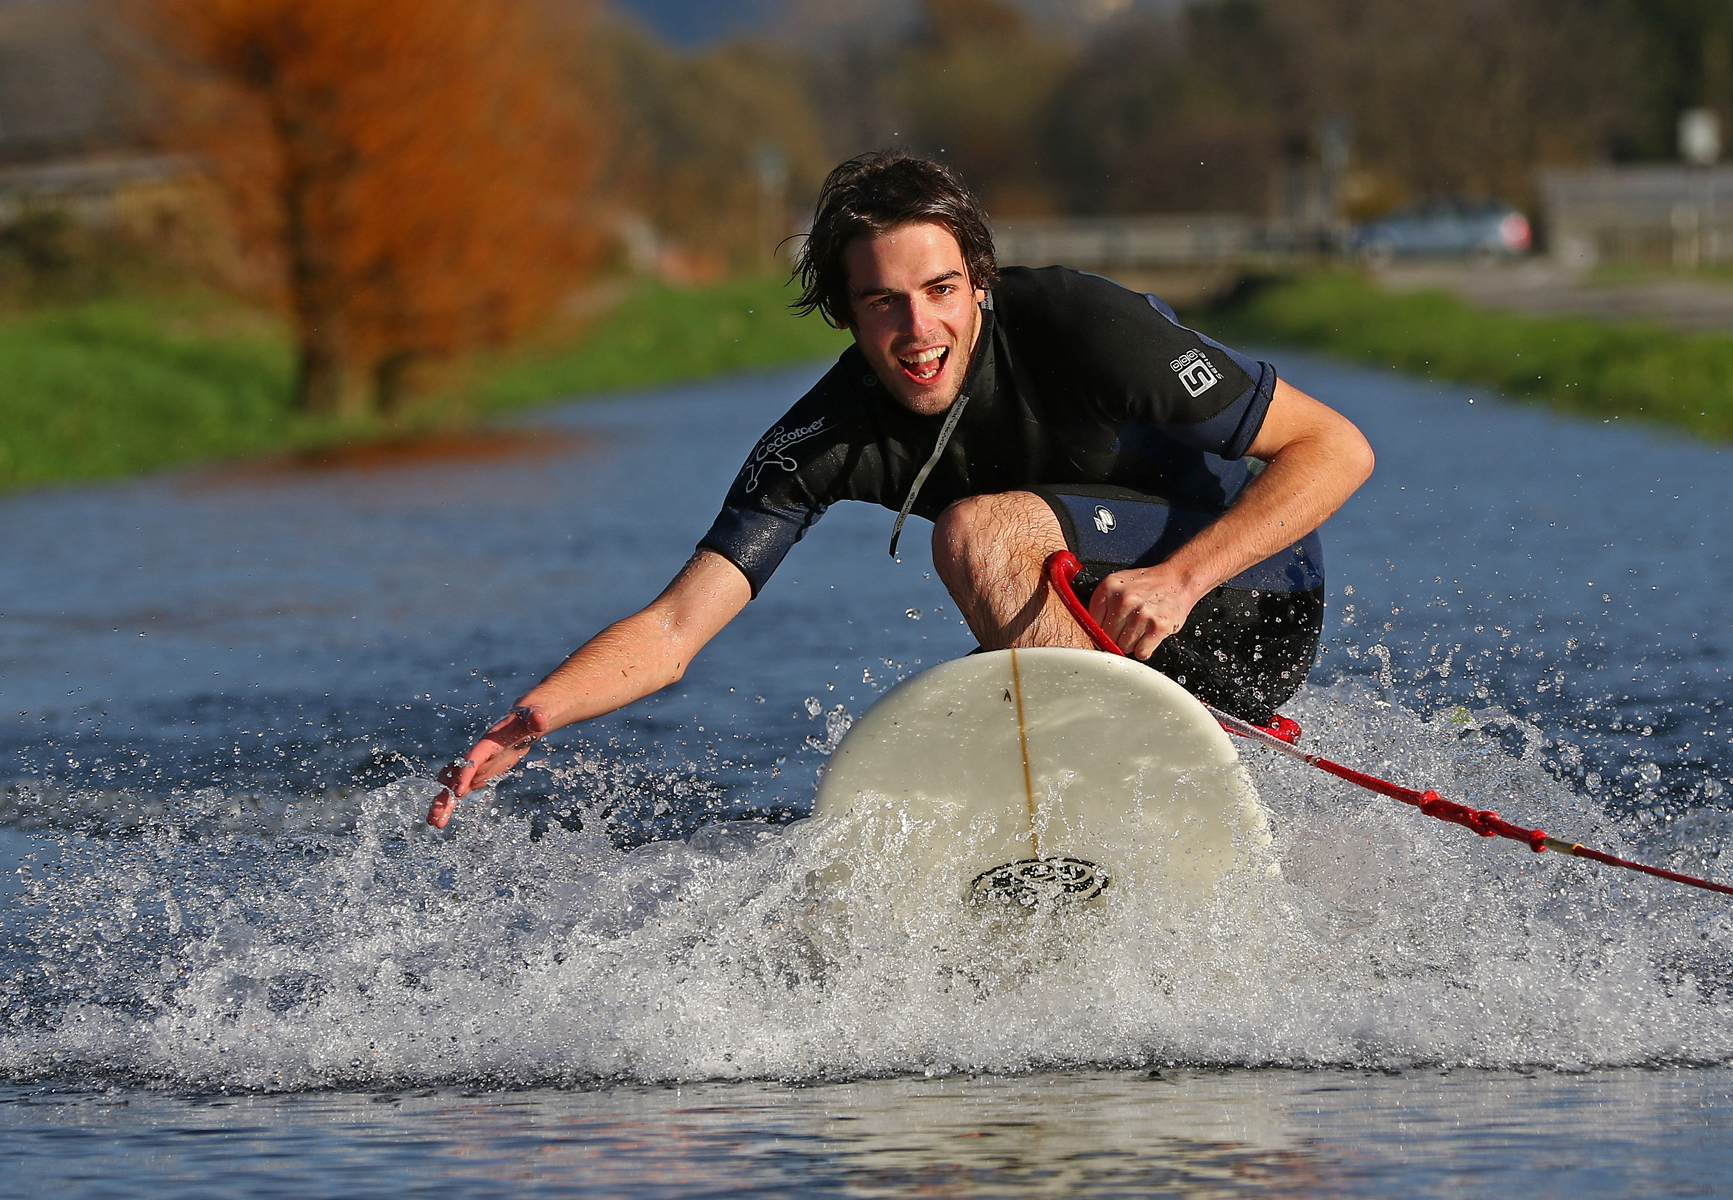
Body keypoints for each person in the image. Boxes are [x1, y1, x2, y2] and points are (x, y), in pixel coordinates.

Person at [427, 152, 1374, 828]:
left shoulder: (1087, 324)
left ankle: (1112, 821)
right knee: (930, 761)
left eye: (942, 289)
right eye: (884, 301)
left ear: (981, 284)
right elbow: (675, 632)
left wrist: (1181, 580)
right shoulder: (824, 435)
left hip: (1247, 599)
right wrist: (540, 711)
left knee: (976, 533)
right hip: (1093, 632)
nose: (919, 330)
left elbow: (1335, 448)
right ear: (847, 312)